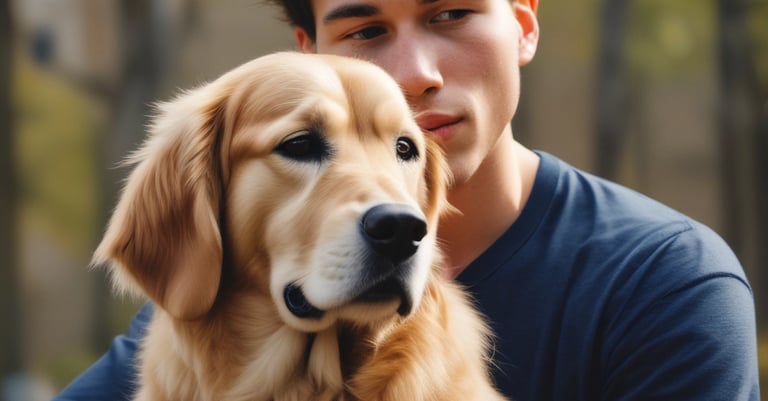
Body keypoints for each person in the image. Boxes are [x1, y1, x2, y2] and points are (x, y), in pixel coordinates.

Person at [55, 0, 760, 400]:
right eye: (365, 32)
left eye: (452, 13)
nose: (413, 74)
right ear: (309, 51)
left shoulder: (667, 283)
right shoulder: (228, 297)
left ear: (523, 21)